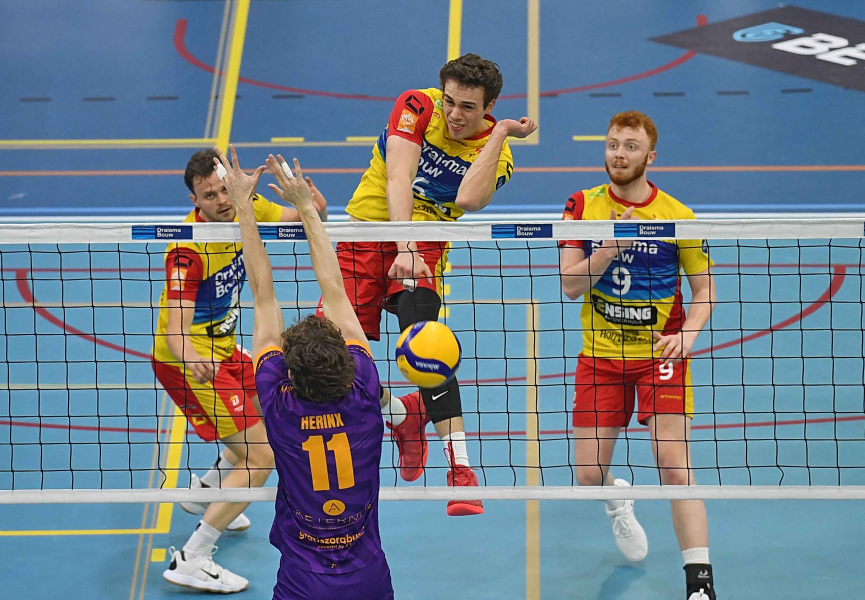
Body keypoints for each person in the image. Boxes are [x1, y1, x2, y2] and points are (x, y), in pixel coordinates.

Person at [326, 53, 537, 516]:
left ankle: (461, 470)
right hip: (368, 231)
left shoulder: (497, 154)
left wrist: (500, 133)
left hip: (427, 242)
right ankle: (401, 415)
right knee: (331, 358)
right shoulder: (417, 106)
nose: (455, 115)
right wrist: (402, 245)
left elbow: (469, 199)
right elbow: (398, 176)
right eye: (450, 102)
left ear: (490, 107)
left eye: (469, 107)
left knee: (426, 344)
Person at [218, 145, 394, 599]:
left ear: (291, 376)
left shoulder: (279, 406)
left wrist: (243, 206)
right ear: (345, 362)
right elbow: (335, 290)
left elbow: (262, 295)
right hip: (368, 578)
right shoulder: (364, 390)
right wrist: (306, 207)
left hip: (304, 581)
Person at [559, 111, 718, 600]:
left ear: (650, 156)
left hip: (660, 355)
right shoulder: (581, 205)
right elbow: (570, 284)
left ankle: (700, 584)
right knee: (588, 475)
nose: (619, 154)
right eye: (613, 144)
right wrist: (608, 249)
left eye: (630, 146)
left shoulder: (676, 215)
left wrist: (689, 334)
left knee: (673, 464)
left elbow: (705, 289)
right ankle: (617, 499)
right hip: (599, 357)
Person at [157, 149, 326, 593]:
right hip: (189, 362)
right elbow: (176, 330)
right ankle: (193, 557)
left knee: (267, 413)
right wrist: (191, 357)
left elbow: (306, 216)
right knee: (262, 454)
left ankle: (209, 491)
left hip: (226, 350)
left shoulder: (245, 202)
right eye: (209, 195)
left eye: (223, 190)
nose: (221, 201)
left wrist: (310, 200)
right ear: (195, 200)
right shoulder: (187, 250)